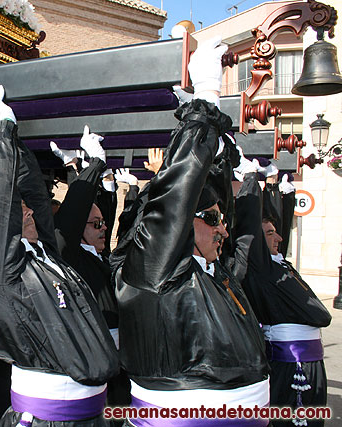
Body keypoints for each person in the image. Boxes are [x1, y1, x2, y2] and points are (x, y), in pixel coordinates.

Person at [114, 38, 269, 426]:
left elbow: (212, 198)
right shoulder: (154, 273)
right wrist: (205, 103)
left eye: (221, 220)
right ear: (185, 223)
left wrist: (216, 154)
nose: (224, 230)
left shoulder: (209, 271)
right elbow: (173, 197)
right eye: (213, 220)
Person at [0, 85, 118, 426]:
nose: (32, 214)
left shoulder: (42, 256)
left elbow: (34, 195)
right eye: (20, 213)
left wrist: (14, 143)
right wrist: (2, 138)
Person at [232, 165, 331, 427]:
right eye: (270, 233)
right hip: (293, 362)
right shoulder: (261, 269)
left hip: (311, 360)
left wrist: (281, 192)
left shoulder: (278, 264)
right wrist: (251, 179)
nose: (278, 237)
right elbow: (250, 225)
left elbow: (276, 229)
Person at [52, 127, 128, 418]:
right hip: (94, 365)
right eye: (96, 226)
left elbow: (95, 213)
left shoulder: (95, 255)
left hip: (116, 364)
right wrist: (94, 166)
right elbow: (73, 215)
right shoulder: (71, 257)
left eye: (103, 224)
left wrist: (79, 168)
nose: (104, 227)